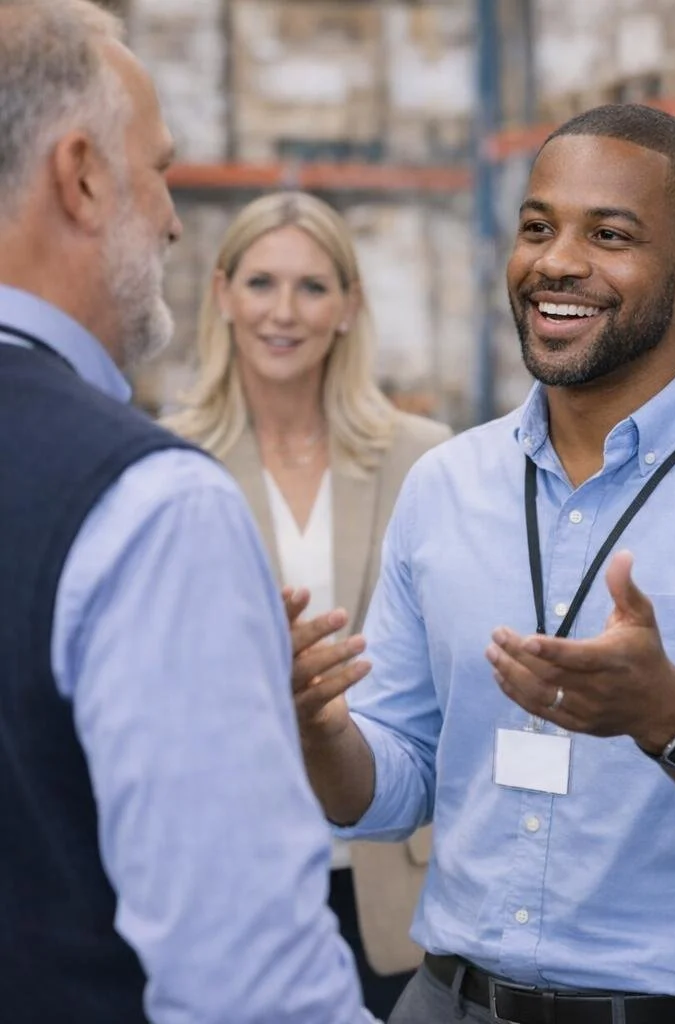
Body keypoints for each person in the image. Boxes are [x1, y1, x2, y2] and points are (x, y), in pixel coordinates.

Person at [288, 102, 675, 1024]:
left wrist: (672, 719)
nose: (557, 262)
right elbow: (394, 782)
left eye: (609, 234)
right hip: (447, 999)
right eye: (537, 227)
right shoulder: (447, 485)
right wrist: (315, 726)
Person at [0, 2, 373, 1021]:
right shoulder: (149, 506)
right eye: (156, 169)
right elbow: (245, 981)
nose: (169, 214)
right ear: (80, 176)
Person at [163, 189, 450, 1017]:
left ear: (350, 307)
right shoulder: (170, 460)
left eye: (312, 287)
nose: (283, 312)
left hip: (391, 870)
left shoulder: (422, 460)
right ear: (221, 294)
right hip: (239, 865)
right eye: (260, 284)